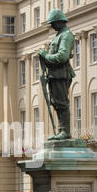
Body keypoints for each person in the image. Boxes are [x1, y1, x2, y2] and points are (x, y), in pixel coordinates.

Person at [38, 9, 76, 141]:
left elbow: (62, 56)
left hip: (61, 74)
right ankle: (61, 130)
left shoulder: (66, 35)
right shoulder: (59, 35)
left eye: (53, 23)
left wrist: (46, 56)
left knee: (62, 103)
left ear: (60, 22)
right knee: (56, 103)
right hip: (55, 75)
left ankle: (65, 131)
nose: (52, 26)